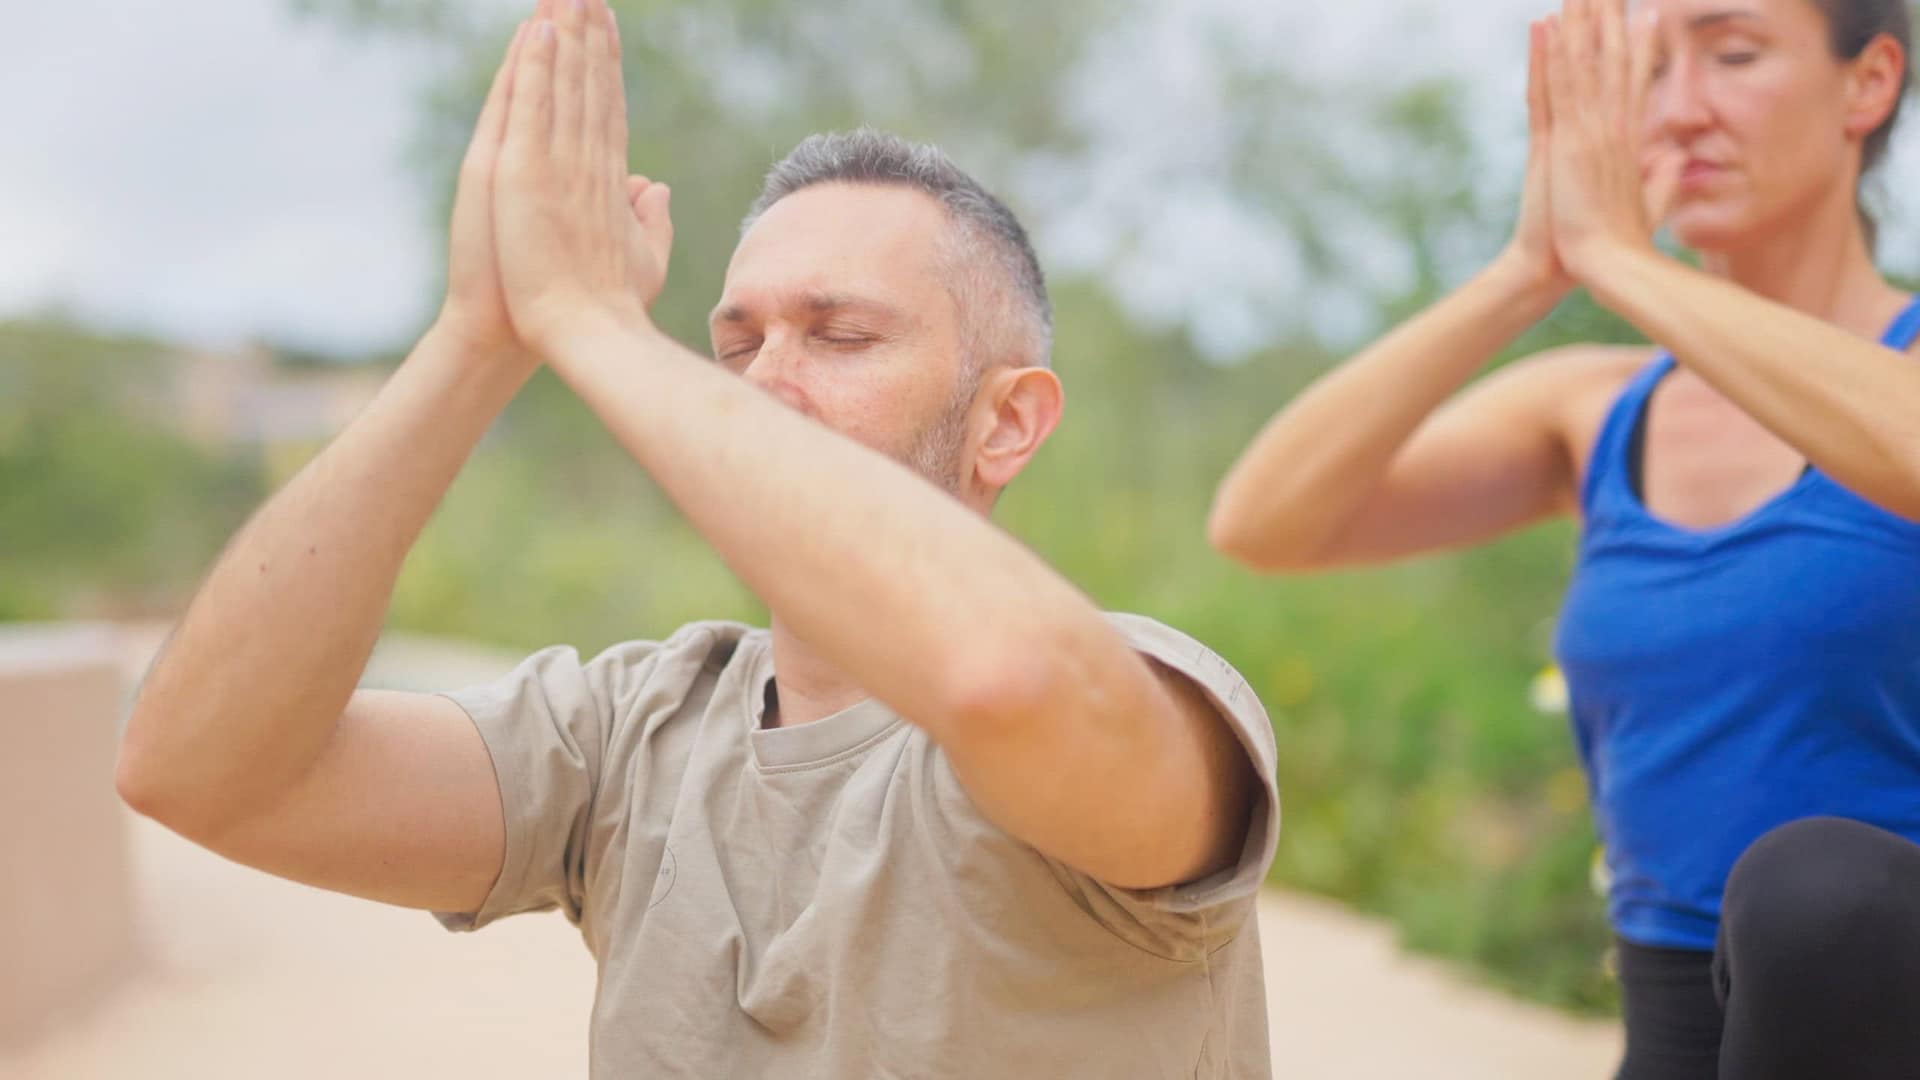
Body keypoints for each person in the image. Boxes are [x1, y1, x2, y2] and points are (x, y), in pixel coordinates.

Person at [115, 2, 1279, 1077]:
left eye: (840, 336)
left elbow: (1005, 682)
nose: (762, 382)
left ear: (1006, 423)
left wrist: (591, 321)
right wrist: (480, 337)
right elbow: (198, 772)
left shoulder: (1146, 697)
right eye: (735, 345)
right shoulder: (634, 734)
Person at [1208, 0, 1920, 1076]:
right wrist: (1530, 271)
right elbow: (1265, 520)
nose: (1680, 111)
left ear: (1867, 83)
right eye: (1649, 72)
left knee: (1817, 890)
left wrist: (1627, 263)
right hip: (1677, 1031)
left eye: (1731, 54)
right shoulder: (1599, 410)